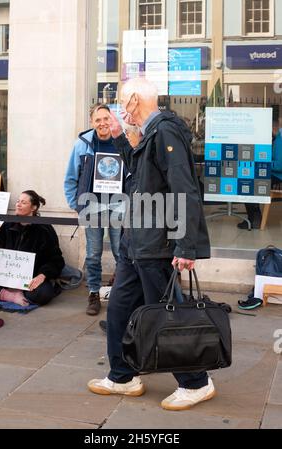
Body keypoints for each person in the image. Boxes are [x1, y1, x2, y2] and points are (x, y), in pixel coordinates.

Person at [88, 78, 214, 411]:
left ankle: (196, 382)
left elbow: (184, 190)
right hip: (136, 243)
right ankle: (122, 376)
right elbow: (141, 175)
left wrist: (186, 247)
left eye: (120, 102)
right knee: (118, 309)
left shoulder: (165, 133)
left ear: (133, 101)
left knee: (165, 316)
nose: (118, 108)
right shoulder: (150, 134)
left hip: (156, 246)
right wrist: (118, 137)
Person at [64, 104, 123, 316]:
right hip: (92, 205)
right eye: (98, 120)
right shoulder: (82, 145)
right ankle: (94, 293)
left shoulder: (122, 140)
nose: (102, 123)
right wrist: (76, 204)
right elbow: (71, 177)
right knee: (94, 252)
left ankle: (120, 293)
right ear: (92, 122)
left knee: (121, 251)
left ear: (112, 119)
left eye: (106, 118)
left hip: (119, 204)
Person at [0, 191, 65, 307]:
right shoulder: (7, 225)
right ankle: (11, 296)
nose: (18, 205)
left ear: (34, 207)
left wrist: (42, 275)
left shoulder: (45, 229)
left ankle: (13, 292)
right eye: (18, 201)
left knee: (44, 294)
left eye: (23, 202)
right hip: (5, 277)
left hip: (30, 280)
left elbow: (56, 259)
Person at [99, 123, 142, 334]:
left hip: (146, 239)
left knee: (154, 292)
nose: (126, 139)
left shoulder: (145, 162)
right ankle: (118, 325)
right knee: (123, 292)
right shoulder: (129, 161)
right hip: (130, 234)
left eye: (129, 136)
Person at [238, 120, 282, 230]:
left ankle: (254, 218)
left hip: (279, 178)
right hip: (277, 176)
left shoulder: (279, 140)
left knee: (247, 183)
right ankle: (254, 217)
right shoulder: (278, 139)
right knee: (249, 181)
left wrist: (262, 162)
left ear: (273, 129)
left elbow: (278, 165)